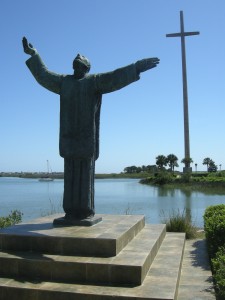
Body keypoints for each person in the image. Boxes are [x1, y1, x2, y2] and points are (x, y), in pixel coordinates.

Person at [22, 36, 159, 222]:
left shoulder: (94, 81)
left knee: (85, 177)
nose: (77, 64)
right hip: (69, 139)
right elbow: (43, 75)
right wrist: (34, 54)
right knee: (70, 177)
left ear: (87, 68)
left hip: (86, 139)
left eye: (81, 64)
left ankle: (85, 212)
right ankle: (70, 212)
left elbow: (115, 77)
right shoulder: (64, 82)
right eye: (75, 63)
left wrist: (135, 68)